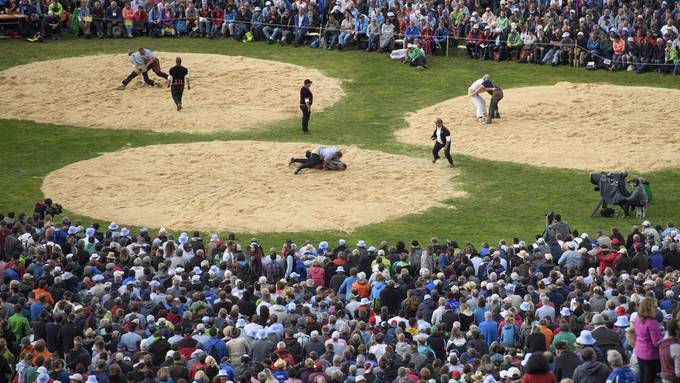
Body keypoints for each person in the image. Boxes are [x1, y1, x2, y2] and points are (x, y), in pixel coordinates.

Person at [634, 297, 663, 383]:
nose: (656, 309)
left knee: (642, 376)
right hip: (650, 355)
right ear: (649, 308)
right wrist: (664, 337)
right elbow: (656, 343)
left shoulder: (637, 318)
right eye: (654, 307)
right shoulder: (652, 322)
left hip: (639, 351)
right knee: (649, 379)